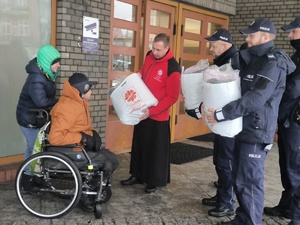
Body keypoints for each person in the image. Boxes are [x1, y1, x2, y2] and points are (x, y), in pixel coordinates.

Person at [204, 18, 295, 225]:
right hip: (243, 128)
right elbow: (237, 90)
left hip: (256, 130)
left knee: (250, 183)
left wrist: (221, 114)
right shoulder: (253, 59)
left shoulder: (272, 62)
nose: (247, 39)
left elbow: (256, 98)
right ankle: (243, 219)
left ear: (265, 37)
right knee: (239, 179)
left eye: (251, 35)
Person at [48, 72, 119, 210]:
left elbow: (80, 126)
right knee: (104, 162)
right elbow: (55, 137)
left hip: (80, 147)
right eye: (89, 89)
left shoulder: (80, 103)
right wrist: (83, 138)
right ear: (81, 90)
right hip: (70, 150)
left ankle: (96, 188)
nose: (91, 91)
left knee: (114, 159)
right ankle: (85, 193)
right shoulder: (67, 107)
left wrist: (92, 134)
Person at [187, 29, 239, 217]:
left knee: (226, 163)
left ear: (225, 45)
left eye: (214, 45)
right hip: (218, 120)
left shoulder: (235, 61)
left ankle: (227, 202)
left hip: (228, 124)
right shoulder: (223, 61)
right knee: (219, 160)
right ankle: (221, 196)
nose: (211, 48)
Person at [120, 33, 181, 193]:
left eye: (158, 50)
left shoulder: (173, 68)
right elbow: (145, 71)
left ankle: (153, 180)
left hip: (158, 116)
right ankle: (137, 175)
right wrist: (139, 73)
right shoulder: (149, 57)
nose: (154, 52)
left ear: (167, 48)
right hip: (142, 110)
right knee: (139, 145)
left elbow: (172, 97)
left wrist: (152, 111)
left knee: (155, 151)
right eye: (153, 48)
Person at [264, 17, 300, 225]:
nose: (289, 36)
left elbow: (293, 88)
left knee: (295, 170)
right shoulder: (297, 55)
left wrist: (275, 90)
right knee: (286, 167)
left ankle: (296, 217)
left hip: (295, 122)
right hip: (288, 120)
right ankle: (286, 206)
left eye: (293, 32)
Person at [16, 44, 61, 164]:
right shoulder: (37, 77)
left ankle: (33, 174)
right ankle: (28, 177)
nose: (58, 65)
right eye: (55, 62)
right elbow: (41, 102)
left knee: (35, 148)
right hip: (28, 119)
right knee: (34, 148)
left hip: (36, 117)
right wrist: (58, 101)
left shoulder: (46, 75)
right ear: (47, 62)